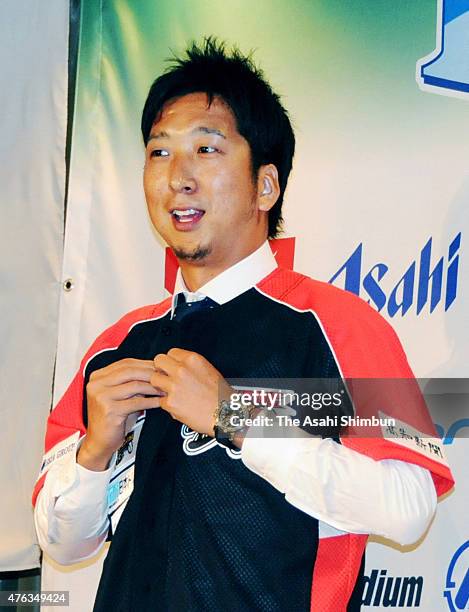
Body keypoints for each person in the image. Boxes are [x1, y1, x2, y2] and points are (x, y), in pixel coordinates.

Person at [33, 38, 454, 611]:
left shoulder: (336, 325)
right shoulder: (118, 344)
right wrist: (94, 452)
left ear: (265, 185)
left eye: (207, 150)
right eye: (159, 153)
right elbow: (65, 543)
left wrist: (237, 418)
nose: (177, 176)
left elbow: (410, 506)